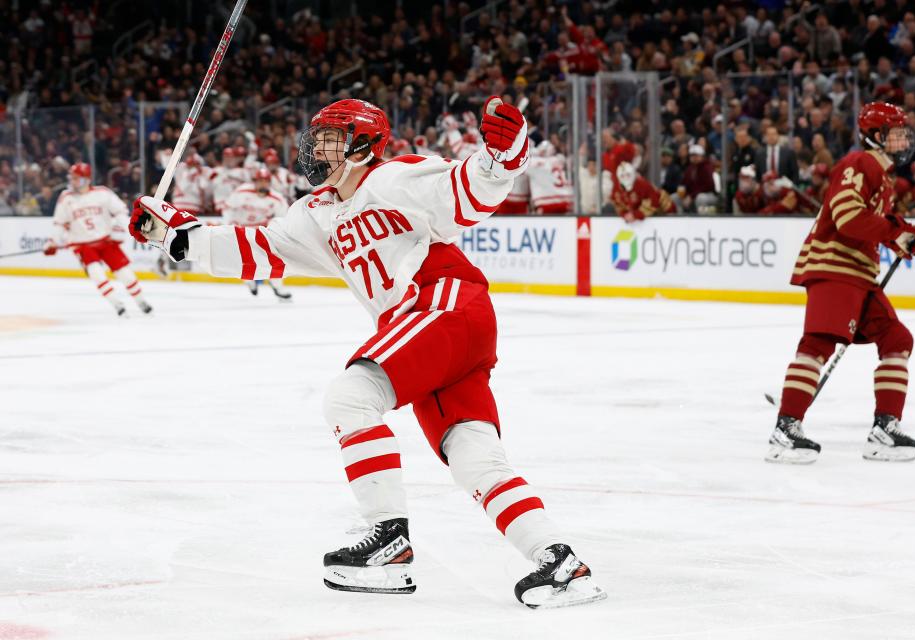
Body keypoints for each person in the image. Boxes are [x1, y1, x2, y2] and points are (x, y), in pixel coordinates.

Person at [129, 97, 606, 609]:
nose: (315, 147)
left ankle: (388, 542)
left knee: (351, 397)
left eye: (329, 137)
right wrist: (179, 235)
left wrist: (502, 155)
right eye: (316, 137)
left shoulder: (395, 179)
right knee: (473, 457)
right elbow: (260, 250)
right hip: (434, 333)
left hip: (443, 303)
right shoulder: (315, 213)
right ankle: (560, 564)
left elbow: (468, 192)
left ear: (362, 143)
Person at [766, 102, 915, 464]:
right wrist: (893, 232)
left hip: (860, 276)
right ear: (875, 136)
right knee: (818, 343)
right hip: (835, 268)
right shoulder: (860, 163)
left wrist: (900, 233)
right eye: (895, 132)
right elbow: (848, 216)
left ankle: (885, 428)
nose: (903, 139)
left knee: (897, 339)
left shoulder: (882, 177)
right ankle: (785, 427)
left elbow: (869, 222)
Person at [44, 163, 153, 317]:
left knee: (125, 273)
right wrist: (52, 241)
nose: (72, 181)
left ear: (86, 179)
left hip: (106, 241)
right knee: (97, 274)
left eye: (76, 178)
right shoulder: (66, 198)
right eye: (72, 178)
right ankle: (117, 304)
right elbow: (59, 224)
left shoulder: (102, 193)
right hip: (83, 245)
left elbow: (120, 211)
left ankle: (141, 301)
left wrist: (130, 227)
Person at [222, 167, 292, 300]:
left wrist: (274, 231)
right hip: (242, 232)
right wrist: (230, 224)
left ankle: (278, 287)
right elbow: (228, 207)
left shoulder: (277, 199)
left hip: (262, 234)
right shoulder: (242, 191)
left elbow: (282, 219)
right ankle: (250, 282)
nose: (262, 184)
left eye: (265, 181)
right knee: (243, 262)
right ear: (255, 181)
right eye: (260, 181)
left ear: (269, 183)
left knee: (274, 261)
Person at [611, 161, 675, 222]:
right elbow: (618, 205)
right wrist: (625, 214)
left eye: (628, 175)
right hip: (638, 216)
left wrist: (636, 215)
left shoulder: (643, 185)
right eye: (622, 176)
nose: (625, 178)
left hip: (663, 209)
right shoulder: (616, 189)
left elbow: (653, 202)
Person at [526, 141, 574, 214]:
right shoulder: (559, 160)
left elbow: (522, 166)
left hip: (547, 201)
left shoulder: (537, 162)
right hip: (566, 199)